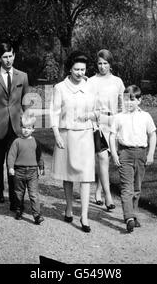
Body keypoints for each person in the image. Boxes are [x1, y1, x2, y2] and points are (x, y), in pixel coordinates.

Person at [50, 51, 96, 233]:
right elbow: (53, 112)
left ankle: (84, 215)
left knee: (86, 177)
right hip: (66, 134)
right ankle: (69, 207)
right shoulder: (60, 87)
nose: (79, 72)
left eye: (83, 69)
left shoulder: (90, 87)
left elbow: (99, 110)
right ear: (70, 68)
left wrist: (90, 115)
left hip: (85, 135)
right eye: (76, 69)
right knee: (68, 175)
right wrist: (56, 134)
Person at [0, 42, 29, 209]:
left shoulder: (22, 76)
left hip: (16, 125)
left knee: (13, 161)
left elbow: (26, 101)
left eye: (10, 56)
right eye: (4, 57)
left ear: (14, 55)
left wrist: (27, 121)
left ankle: (14, 196)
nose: (8, 60)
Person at [109, 85, 157, 233]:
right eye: (126, 100)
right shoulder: (119, 117)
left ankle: (133, 214)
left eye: (132, 99)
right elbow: (112, 136)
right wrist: (115, 154)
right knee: (126, 187)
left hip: (141, 153)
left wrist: (150, 154)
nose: (129, 103)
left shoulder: (146, 116)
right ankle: (128, 217)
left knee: (137, 188)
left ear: (139, 100)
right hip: (125, 153)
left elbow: (152, 135)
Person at [87, 49, 125, 211]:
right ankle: (108, 197)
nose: (102, 67)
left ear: (110, 64)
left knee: (107, 160)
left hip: (113, 122)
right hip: (98, 122)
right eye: (100, 63)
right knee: (102, 157)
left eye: (105, 63)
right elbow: (86, 104)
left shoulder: (117, 81)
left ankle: (98, 190)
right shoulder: (91, 81)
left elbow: (122, 104)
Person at [7, 116, 45, 224]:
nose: (25, 130)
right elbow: (11, 156)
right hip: (19, 171)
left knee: (33, 194)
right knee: (19, 193)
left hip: (32, 171)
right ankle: (19, 210)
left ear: (33, 129)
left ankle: (37, 215)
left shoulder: (35, 142)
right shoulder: (17, 142)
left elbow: (39, 156)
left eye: (28, 128)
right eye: (23, 127)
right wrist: (11, 167)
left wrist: (41, 167)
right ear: (20, 127)